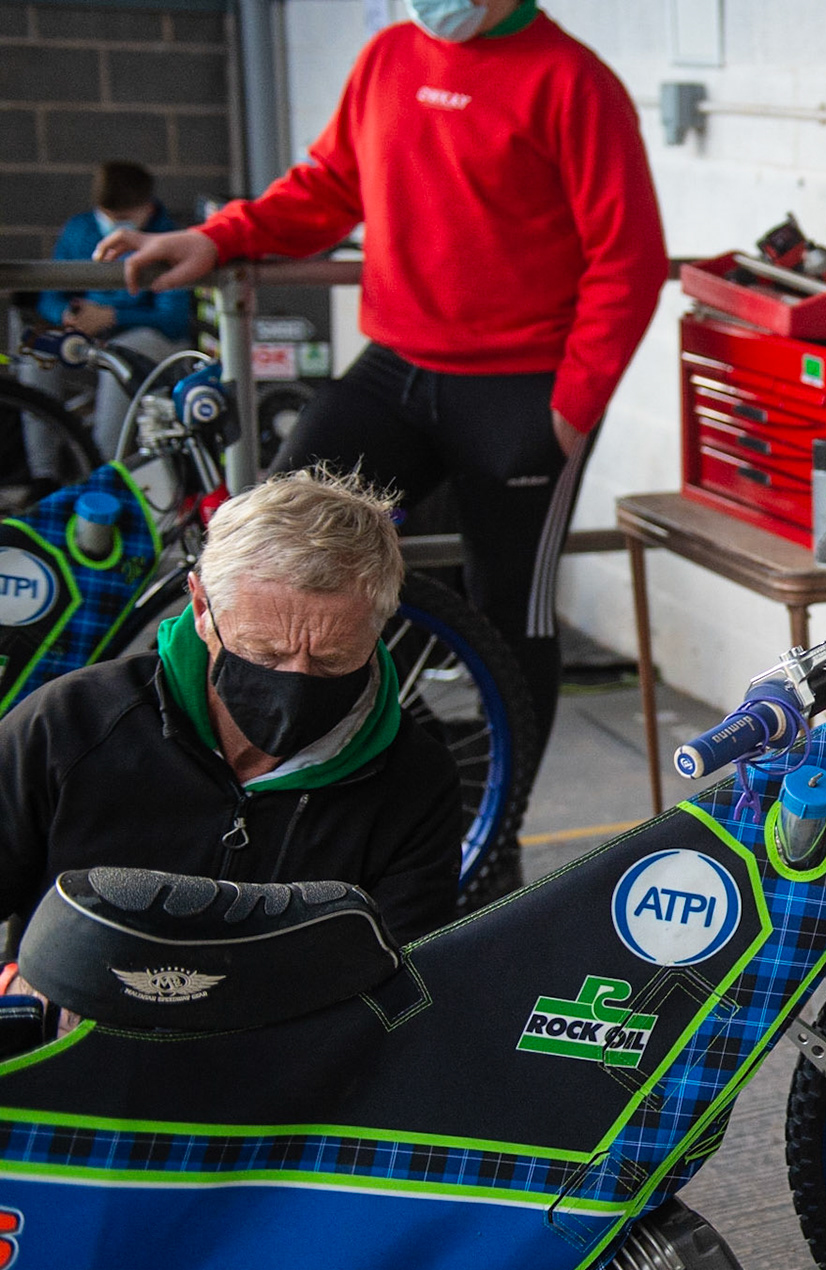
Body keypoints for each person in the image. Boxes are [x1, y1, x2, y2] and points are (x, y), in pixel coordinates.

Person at [95, 0, 670, 772]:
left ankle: (496, 836)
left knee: (510, 614)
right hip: (397, 365)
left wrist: (568, 412)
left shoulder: (574, 82)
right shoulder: (389, 57)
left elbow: (626, 261)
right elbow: (328, 187)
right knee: (280, 533)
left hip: (521, 387)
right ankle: (395, 749)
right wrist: (216, 236)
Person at [0, 470, 464, 944]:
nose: (295, 682)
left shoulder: (416, 783)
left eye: (332, 659)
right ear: (203, 609)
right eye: (263, 653)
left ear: (379, 627)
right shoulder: (70, 726)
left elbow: (405, 986)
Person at [19, 160, 193, 478]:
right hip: (86, 335)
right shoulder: (79, 229)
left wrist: (113, 316)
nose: (113, 228)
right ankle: (42, 475)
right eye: (107, 219)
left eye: (124, 220)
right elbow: (49, 296)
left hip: (146, 338)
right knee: (38, 353)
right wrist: (68, 316)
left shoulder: (170, 237)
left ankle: (100, 472)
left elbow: (174, 319)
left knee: (119, 358)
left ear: (147, 207)